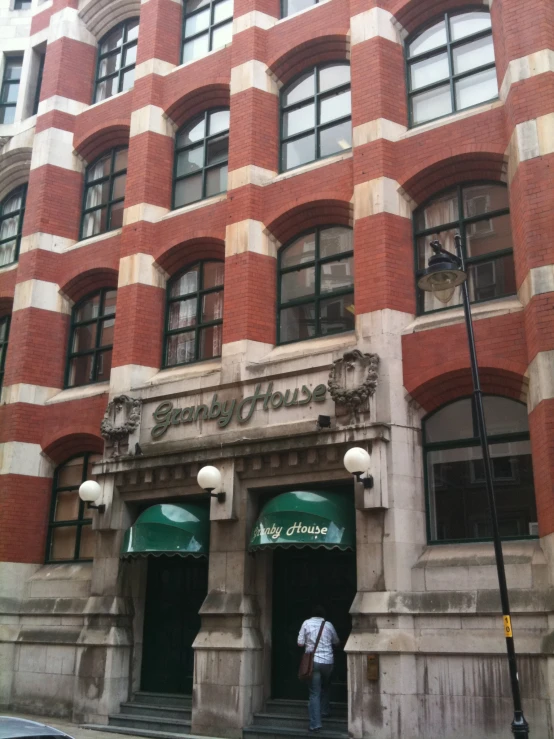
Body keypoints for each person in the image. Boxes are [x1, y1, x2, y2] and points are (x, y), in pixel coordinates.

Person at [297, 605, 340, 732]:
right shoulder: (329, 625)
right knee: (326, 686)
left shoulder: (306, 623)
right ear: (323, 615)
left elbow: (299, 643)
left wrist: (309, 643)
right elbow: (336, 641)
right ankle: (325, 710)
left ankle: (315, 723)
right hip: (328, 662)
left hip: (313, 662)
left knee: (314, 693)